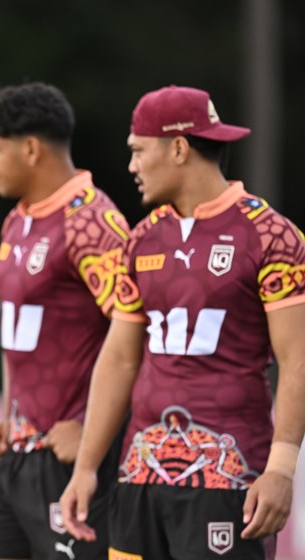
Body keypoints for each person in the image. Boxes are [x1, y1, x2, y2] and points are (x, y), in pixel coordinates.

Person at [60, 85, 305, 559]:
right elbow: (120, 358)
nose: (130, 166)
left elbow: (297, 358)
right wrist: (87, 467)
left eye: (137, 151)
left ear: (177, 147)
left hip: (230, 473)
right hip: (139, 470)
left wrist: (281, 467)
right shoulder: (141, 238)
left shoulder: (271, 235)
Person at [0, 82, 130, 560]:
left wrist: (92, 429)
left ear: (32, 148)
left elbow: (138, 340)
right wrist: (8, 412)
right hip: (16, 457)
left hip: (73, 461)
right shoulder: (16, 220)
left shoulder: (93, 224)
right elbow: (19, 329)